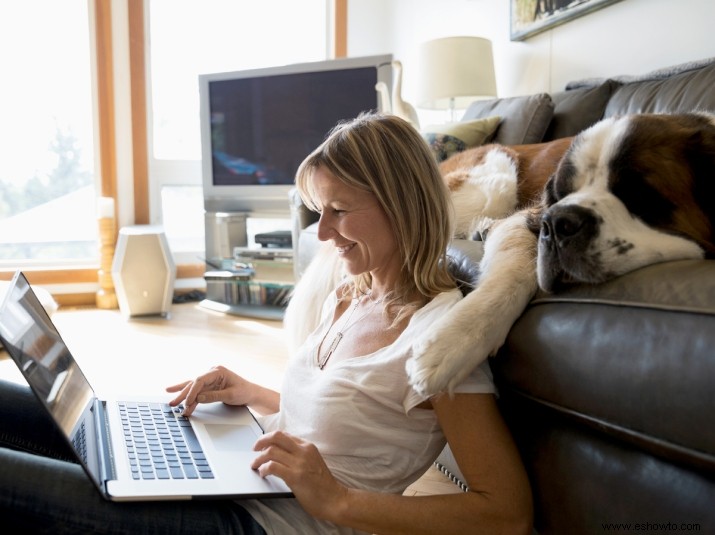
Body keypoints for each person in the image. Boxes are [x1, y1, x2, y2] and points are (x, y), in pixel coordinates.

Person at [0, 113, 532, 534]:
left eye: (339, 210)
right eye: (319, 211)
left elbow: (506, 513)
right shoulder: (352, 295)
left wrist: (339, 501)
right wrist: (251, 391)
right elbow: (353, 423)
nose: (323, 234)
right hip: (245, 485)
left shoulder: (443, 341)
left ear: (401, 205)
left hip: (263, 525)